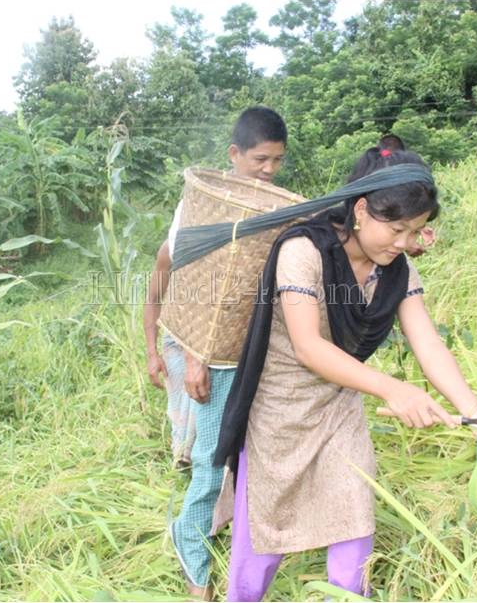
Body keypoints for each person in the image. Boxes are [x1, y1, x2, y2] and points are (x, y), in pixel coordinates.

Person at [211, 146, 477, 602]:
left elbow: (428, 343)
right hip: (278, 412)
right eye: (397, 229)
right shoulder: (304, 251)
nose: (403, 243)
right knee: (264, 534)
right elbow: (308, 346)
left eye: (416, 231)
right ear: (361, 210)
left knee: (354, 520)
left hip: (340, 404)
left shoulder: (397, 271)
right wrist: (391, 388)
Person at [143, 106, 288, 600]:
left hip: (243, 352)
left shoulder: (267, 209)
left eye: (277, 161)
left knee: (239, 451)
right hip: (204, 354)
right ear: (234, 154)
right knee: (209, 456)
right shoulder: (202, 207)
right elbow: (180, 279)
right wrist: (187, 355)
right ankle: (191, 550)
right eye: (260, 159)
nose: (268, 170)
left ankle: (223, 520)